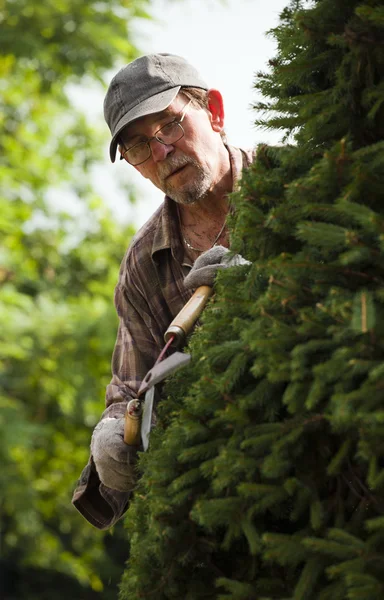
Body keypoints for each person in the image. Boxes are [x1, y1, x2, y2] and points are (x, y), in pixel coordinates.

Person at [72, 53, 254, 529]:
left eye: (169, 125)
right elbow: (132, 387)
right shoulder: (142, 264)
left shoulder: (299, 184)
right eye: (137, 147)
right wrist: (111, 437)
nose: (159, 153)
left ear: (213, 110)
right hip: (233, 502)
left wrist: (275, 286)